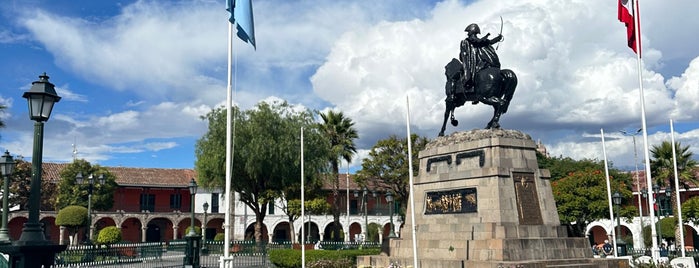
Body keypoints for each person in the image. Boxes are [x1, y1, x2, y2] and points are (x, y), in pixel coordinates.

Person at [459, 23, 503, 93]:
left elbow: (489, 41)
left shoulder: (472, 40)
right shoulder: (471, 41)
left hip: (477, 61)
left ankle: (469, 85)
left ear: (472, 31)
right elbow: (483, 41)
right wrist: (487, 36)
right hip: (479, 60)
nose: (468, 33)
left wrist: (498, 38)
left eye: (469, 31)